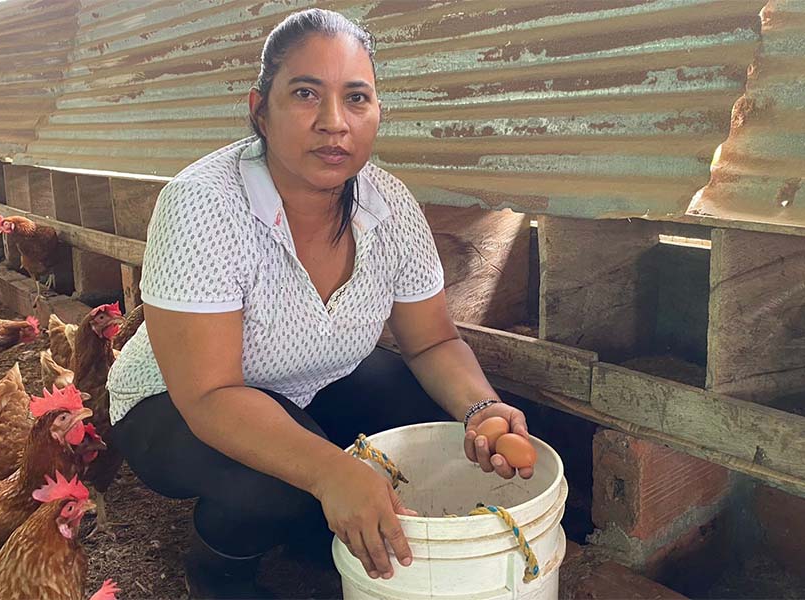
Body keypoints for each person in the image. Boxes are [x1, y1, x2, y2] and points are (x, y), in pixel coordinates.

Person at [106, 8, 533, 599]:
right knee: (274, 484)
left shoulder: (389, 205)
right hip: (175, 404)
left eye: (356, 98)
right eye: (306, 93)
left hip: (315, 380)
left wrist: (481, 408)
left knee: (422, 421)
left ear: (377, 111)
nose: (334, 122)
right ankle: (219, 565)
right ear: (260, 108)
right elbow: (209, 396)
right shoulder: (203, 204)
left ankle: (318, 531)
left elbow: (433, 340)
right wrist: (332, 470)